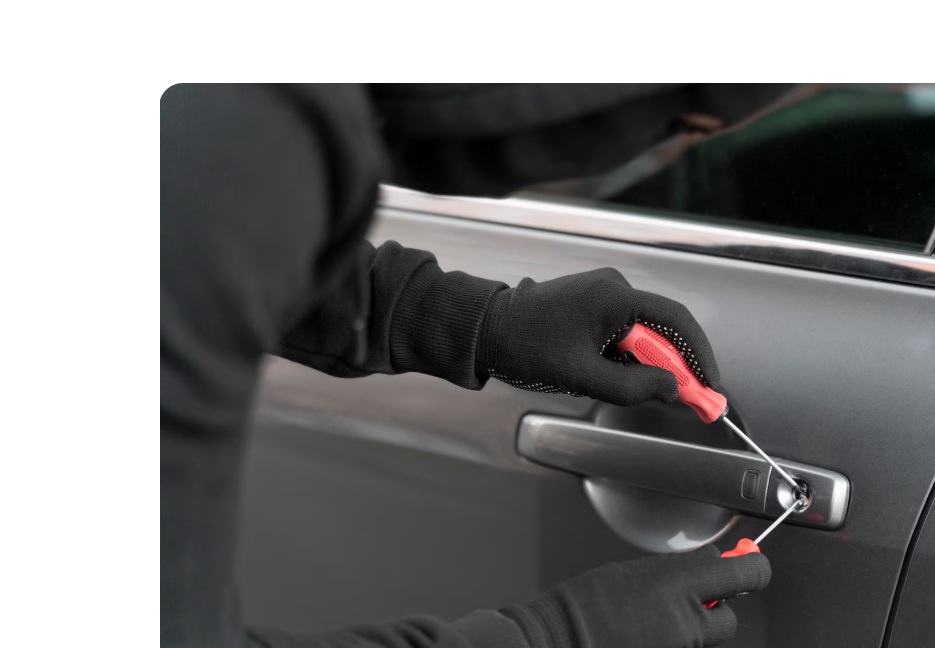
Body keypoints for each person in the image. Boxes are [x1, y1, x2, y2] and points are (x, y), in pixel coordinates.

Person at [162, 84, 790, 648]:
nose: (651, 154)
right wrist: (553, 637)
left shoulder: (239, 113)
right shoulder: (254, 141)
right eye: (680, 125)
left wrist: (475, 321)